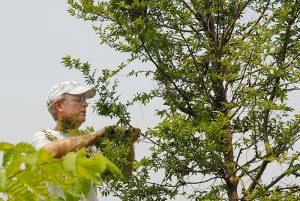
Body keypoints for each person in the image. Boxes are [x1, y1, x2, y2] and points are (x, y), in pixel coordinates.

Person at [32, 81, 139, 201]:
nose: (85, 104)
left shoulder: (90, 146)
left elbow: (125, 174)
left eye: (85, 100)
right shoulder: (44, 136)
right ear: (58, 105)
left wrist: (128, 143)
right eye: (78, 99)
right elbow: (48, 152)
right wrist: (96, 135)